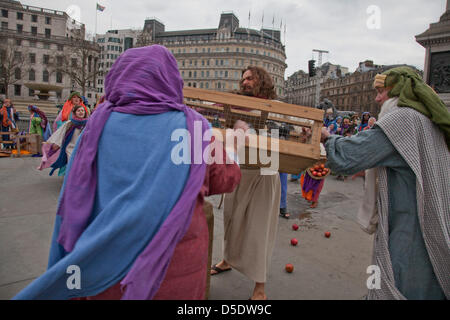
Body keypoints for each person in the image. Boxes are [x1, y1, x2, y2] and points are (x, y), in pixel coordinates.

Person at [14, 44, 241, 300]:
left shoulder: (96, 126)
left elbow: (77, 190)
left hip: (103, 269)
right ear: (170, 79)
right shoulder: (193, 128)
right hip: (175, 270)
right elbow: (227, 179)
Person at [321, 66, 450, 300]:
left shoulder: (402, 119)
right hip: (436, 224)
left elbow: (347, 157)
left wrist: (326, 138)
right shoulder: (426, 119)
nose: (377, 98)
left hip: (411, 230)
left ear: (398, 90)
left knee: (401, 286)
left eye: (381, 91)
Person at [211, 66, 280, 300]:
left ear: (262, 81)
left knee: (259, 229)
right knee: (230, 219)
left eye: (250, 78)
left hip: (265, 171)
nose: (245, 82)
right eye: (243, 79)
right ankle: (227, 259)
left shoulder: (275, 106)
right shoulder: (235, 103)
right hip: (240, 168)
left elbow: (288, 132)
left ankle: (260, 286)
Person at [42, 105, 89, 176]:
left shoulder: (88, 123)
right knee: (72, 164)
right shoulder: (70, 123)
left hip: (82, 148)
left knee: (82, 166)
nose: (81, 112)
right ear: (75, 112)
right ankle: (71, 180)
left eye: (82, 110)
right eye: (78, 111)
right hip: (70, 148)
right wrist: (56, 143)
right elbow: (61, 133)